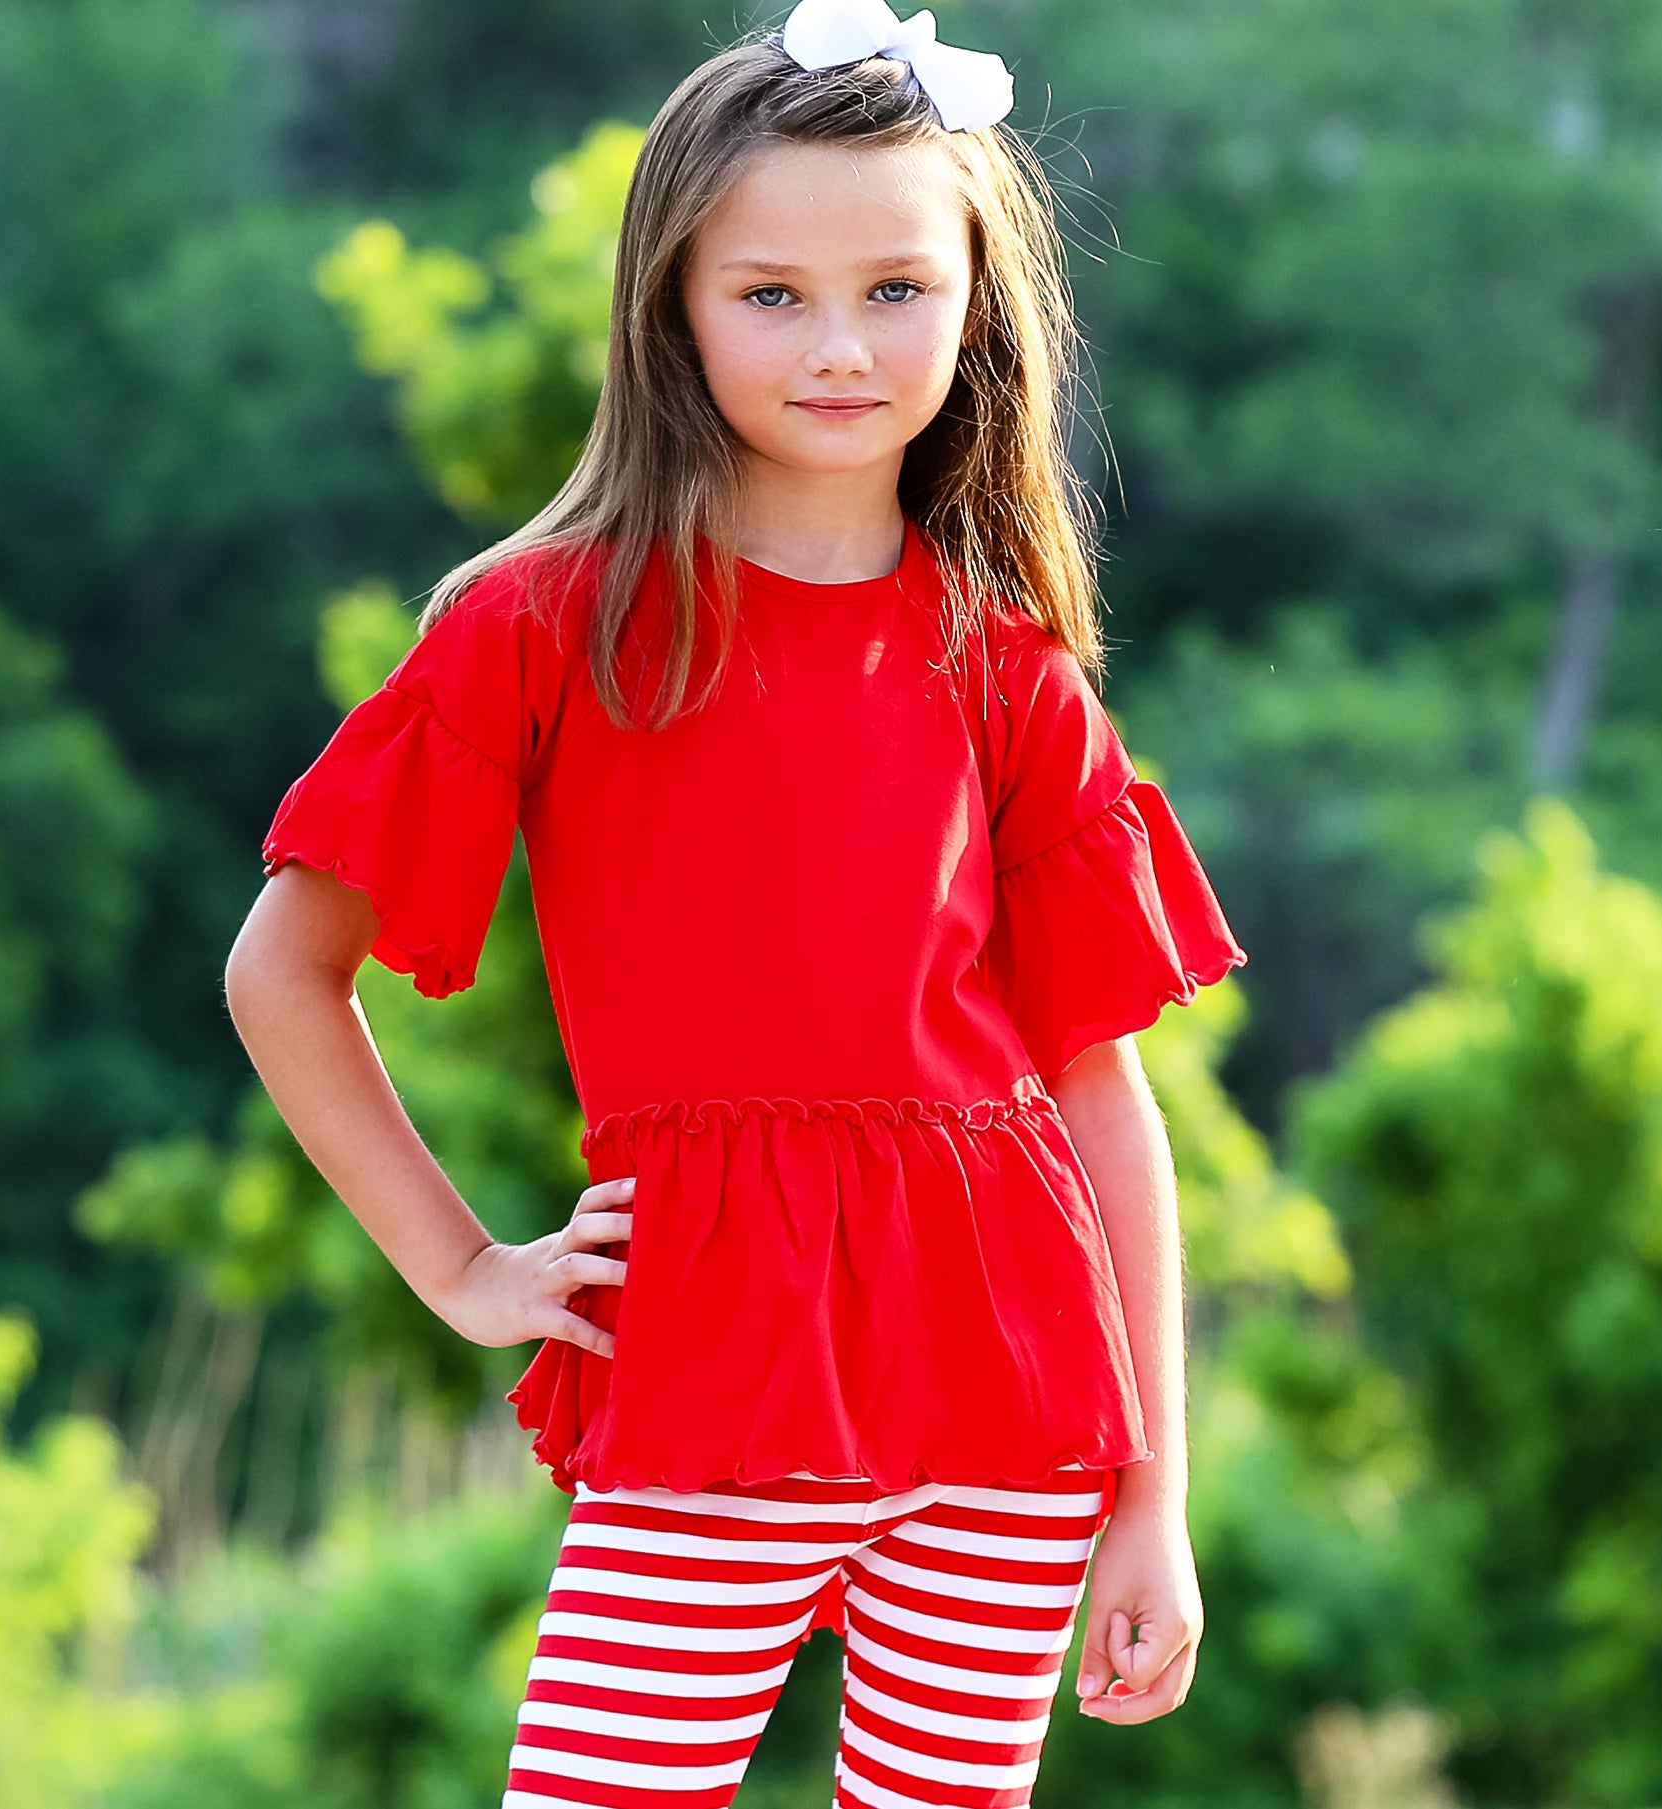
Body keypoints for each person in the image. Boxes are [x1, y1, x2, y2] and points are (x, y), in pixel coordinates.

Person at [224, 0, 1248, 1802]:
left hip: (1009, 1387)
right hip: (706, 1367)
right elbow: (284, 973)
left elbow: (1102, 1089)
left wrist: (1154, 1494)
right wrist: (464, 1268)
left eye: (897, 289)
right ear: (670, 309)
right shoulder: (542, 625)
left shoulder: (1007, 665)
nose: (840, 345)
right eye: (769, 292)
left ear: (975, 307)